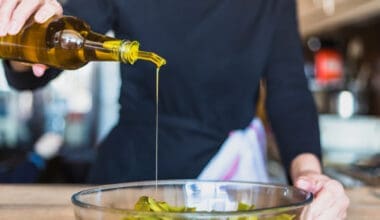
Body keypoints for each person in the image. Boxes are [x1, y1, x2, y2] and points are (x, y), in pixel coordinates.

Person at [0, 0, 349, 219]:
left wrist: (311, 176)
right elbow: (32, 73)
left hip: (231, 190)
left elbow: (288, 92)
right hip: (132, 179)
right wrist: (25, 27)